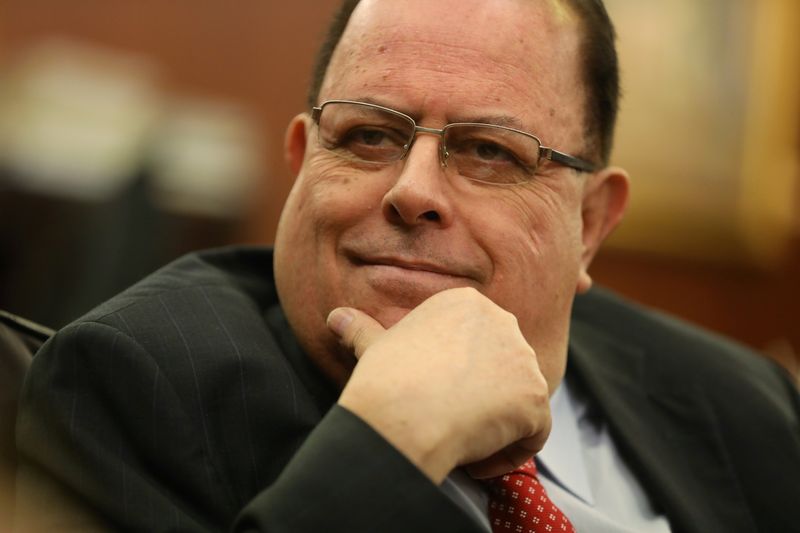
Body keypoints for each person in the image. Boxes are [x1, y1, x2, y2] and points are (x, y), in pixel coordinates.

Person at [14, 0, 800, 531]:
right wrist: (395, 437)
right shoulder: (137, 387)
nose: (411, 190)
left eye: (489, 151)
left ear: (590, 223)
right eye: (367, 136)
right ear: (301, 162)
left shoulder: (747, 406)